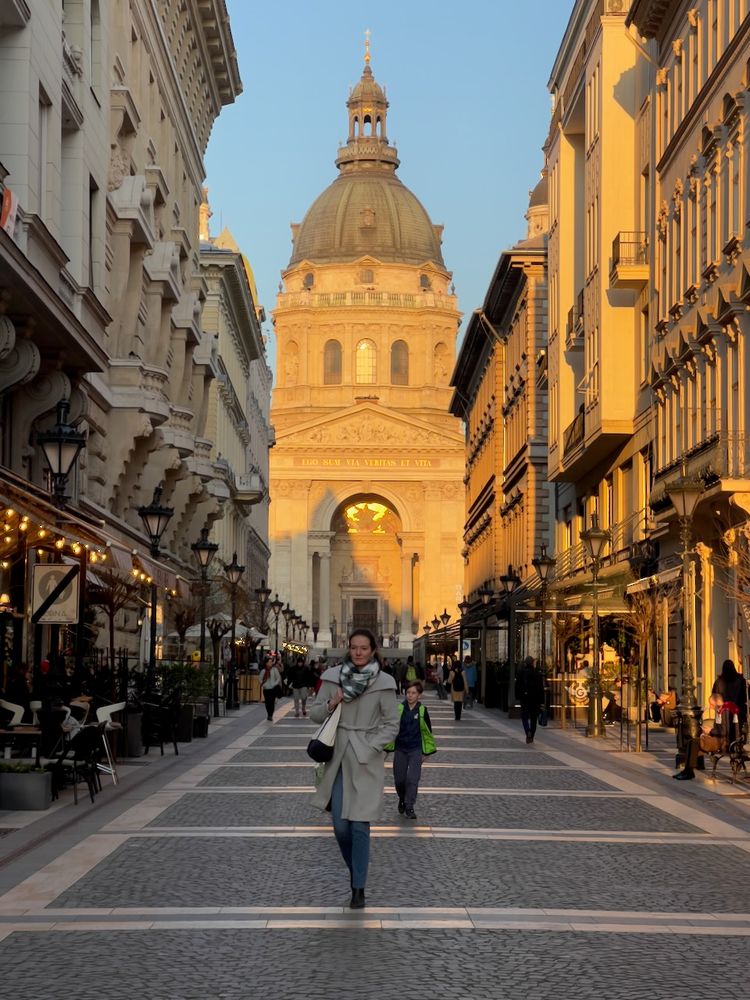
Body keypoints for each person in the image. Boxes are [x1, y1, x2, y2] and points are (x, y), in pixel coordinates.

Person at [309, 628, 400, 910]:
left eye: (364, 648)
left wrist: (373, 746)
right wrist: (331, 702)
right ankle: (355, 870)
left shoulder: (385, 683)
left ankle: (358, 887)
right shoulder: (332, 678)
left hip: (365, 759)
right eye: (354, 647)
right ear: (348, 648)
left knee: (360, 825)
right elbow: (314, 714)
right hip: (337, 757)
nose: (358, 652)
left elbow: (391, 723)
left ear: (373, 650)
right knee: (340, 826)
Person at [385, 680, 436, 820]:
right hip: (401, 749)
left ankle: (409, 806)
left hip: (415, 749)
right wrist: (387, 749)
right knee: (400, 780)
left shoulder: (422, 710)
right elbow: (391, 729)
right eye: (408, 692)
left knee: (412, 779)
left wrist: (427, 752)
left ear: (419, 695)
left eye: (413, 693)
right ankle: (402, 797)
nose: (410, 695)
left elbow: (427, 732)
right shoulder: (399, 709)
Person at [516, 656, 545, 744]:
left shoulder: (521, 673)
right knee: (533, 718)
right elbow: (541, 688)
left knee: (524, 716)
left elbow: (517, 686)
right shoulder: (538, 673)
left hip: (525, 698)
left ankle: (527, 731)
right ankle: (531, 735)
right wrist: (542, 701)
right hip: (535, 699)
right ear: (533, 663)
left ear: (525, 663)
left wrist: (518, 696)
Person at [712, 659, 748, 727]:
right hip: (739, 712)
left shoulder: (718, 682)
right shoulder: (741, 680)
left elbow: (714, 698)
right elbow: (747, 696)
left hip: (724, 715)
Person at [260, 656, 282, 721]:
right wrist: (264, 684)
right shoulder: (263, 670)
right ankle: (268, 713)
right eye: (269, 662)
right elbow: (260, 678)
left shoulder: (274, 670)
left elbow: (278, 678)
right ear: (266, 663)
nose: (270, 663)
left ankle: (270, 715)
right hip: (266, 689)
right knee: (267, 702)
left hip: (273, 688)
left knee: (272, 702)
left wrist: (274, 684)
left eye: (271, 662)